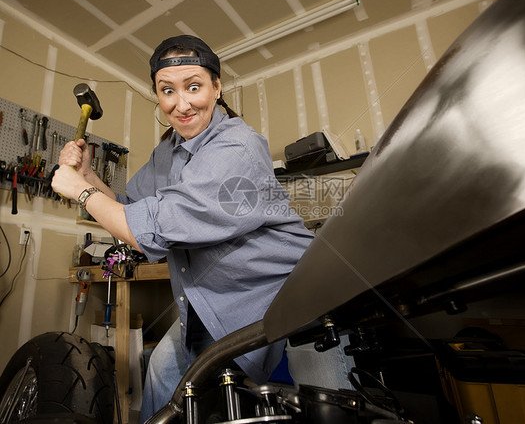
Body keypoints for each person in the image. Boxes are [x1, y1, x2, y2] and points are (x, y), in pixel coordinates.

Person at [52, 35, 354, 421]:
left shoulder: (237, 147)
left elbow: (151, 229)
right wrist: (88, 176)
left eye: (194, 86)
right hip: (215, 306)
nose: (182, 104)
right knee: (161, 372)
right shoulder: (166, 152)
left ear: (216, 86)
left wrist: (80, 193)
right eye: (167, 91)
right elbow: (127, 212)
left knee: (329, 409)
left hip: (297, 300)